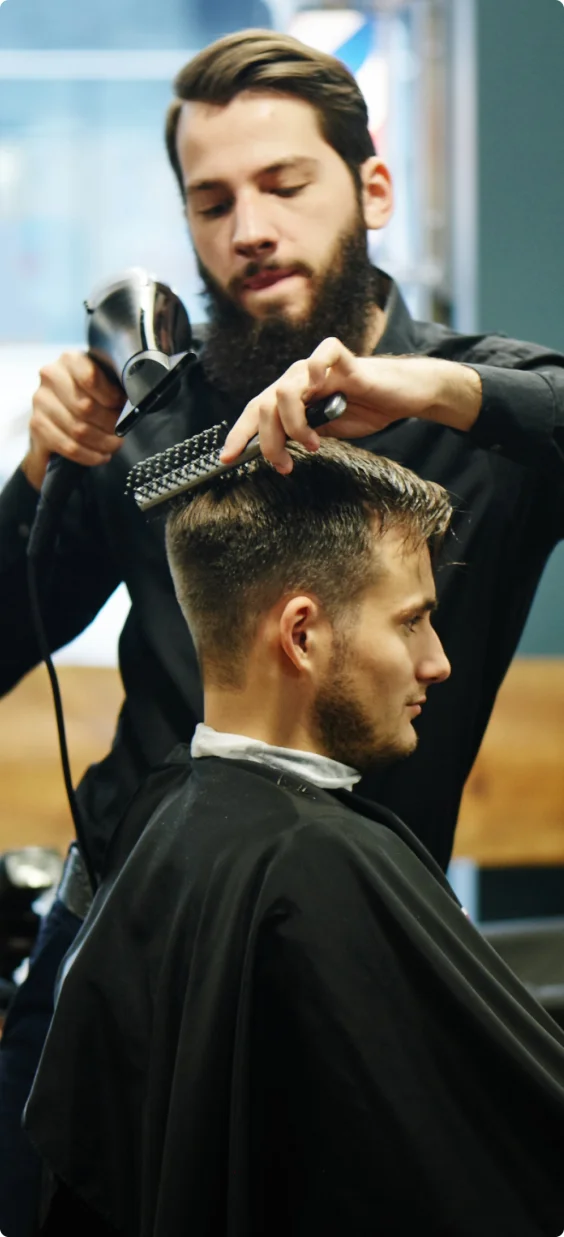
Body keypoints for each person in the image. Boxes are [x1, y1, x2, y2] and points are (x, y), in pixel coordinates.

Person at [1, 26, 564, 1237]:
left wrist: (433, 391)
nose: (247, 226)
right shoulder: (150, 427)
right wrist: (40, 473)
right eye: (212, 200)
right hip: (114, 953)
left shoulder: (481, 416)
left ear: (369, 188)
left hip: (342, 961)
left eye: (284, 184)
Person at [25, 441, 564, 1236]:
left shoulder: (166, 814)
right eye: (412, 620)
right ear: (302, 634)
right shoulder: (319, 865)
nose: (438, 661)